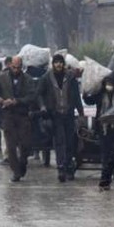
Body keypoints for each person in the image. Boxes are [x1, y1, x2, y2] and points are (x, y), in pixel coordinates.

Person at [36, 53, 83, 182]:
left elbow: (77, 96)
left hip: (68, 114)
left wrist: (80, 111)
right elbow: (39, 94)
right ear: (53, 64)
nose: (58, 64)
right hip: (55, 114)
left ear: (63, 64)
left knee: (70, 142)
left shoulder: (70, 77)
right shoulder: (46, 78)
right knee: (59, 142)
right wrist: (43, 107)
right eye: (56, 62)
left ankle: (69, 166)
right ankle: (61, 167)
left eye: (60, 62)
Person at [0, 56, 39, 182]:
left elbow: (32, 96)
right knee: (10, 145)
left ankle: (22, 164)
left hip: (23, 115)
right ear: (10, 66)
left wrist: (16, 101)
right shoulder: (2, 77)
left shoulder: (28, 79)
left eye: (18, 67)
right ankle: (16, 171)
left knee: (25, 145)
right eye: (14, 67)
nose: (16, 70)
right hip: (8, 115)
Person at [88, 70, 114, 188]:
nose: (109, 85)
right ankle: (105, 178)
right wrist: (86, 92)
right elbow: (89, 100)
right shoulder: (100, 94)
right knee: (105, 155)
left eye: (111, 82)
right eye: (107, 82)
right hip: (104, 129)